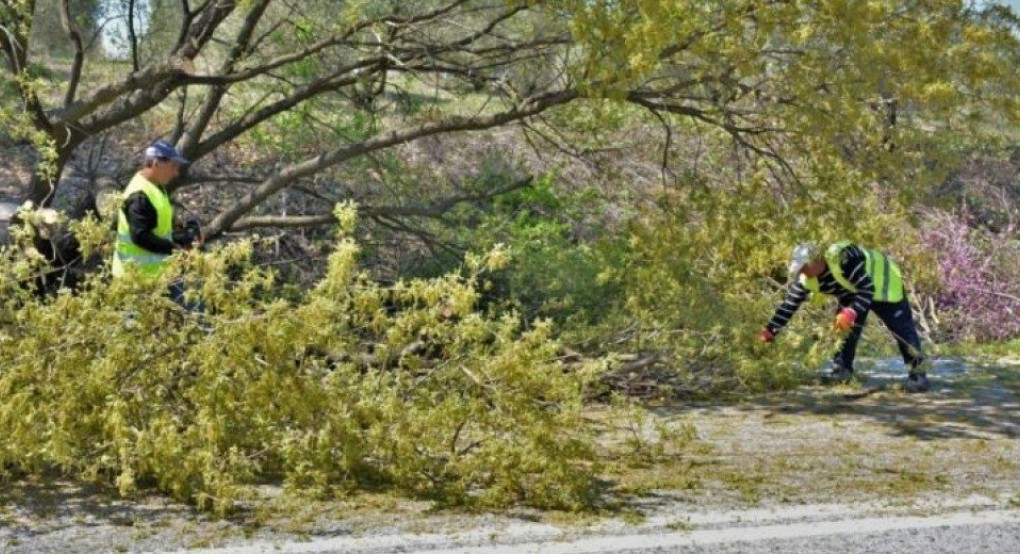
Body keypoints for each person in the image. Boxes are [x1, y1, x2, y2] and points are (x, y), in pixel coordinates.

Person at [760, 241, 930, 393]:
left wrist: (851, 312)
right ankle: (842, 370)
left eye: (804, 266)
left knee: (902, 331)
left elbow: (867, 289)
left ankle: (918, 375)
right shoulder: (806, 279)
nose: (802, 271)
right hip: (853, 291)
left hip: (884, 286)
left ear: (818, 261)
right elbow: (788, 306)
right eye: (800, 268)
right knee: (842, 327)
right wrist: (770, 331)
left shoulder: (844, 260)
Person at [112, 139, 202, 310]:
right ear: (156, 163)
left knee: (187, 313)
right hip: (135, 280)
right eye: (173, 166)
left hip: (159, 274)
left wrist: (181, 233)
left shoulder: (156, 186)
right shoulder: (139, 195)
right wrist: (175, 248)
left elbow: (158, 225)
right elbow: (140, 236)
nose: (175, 173)